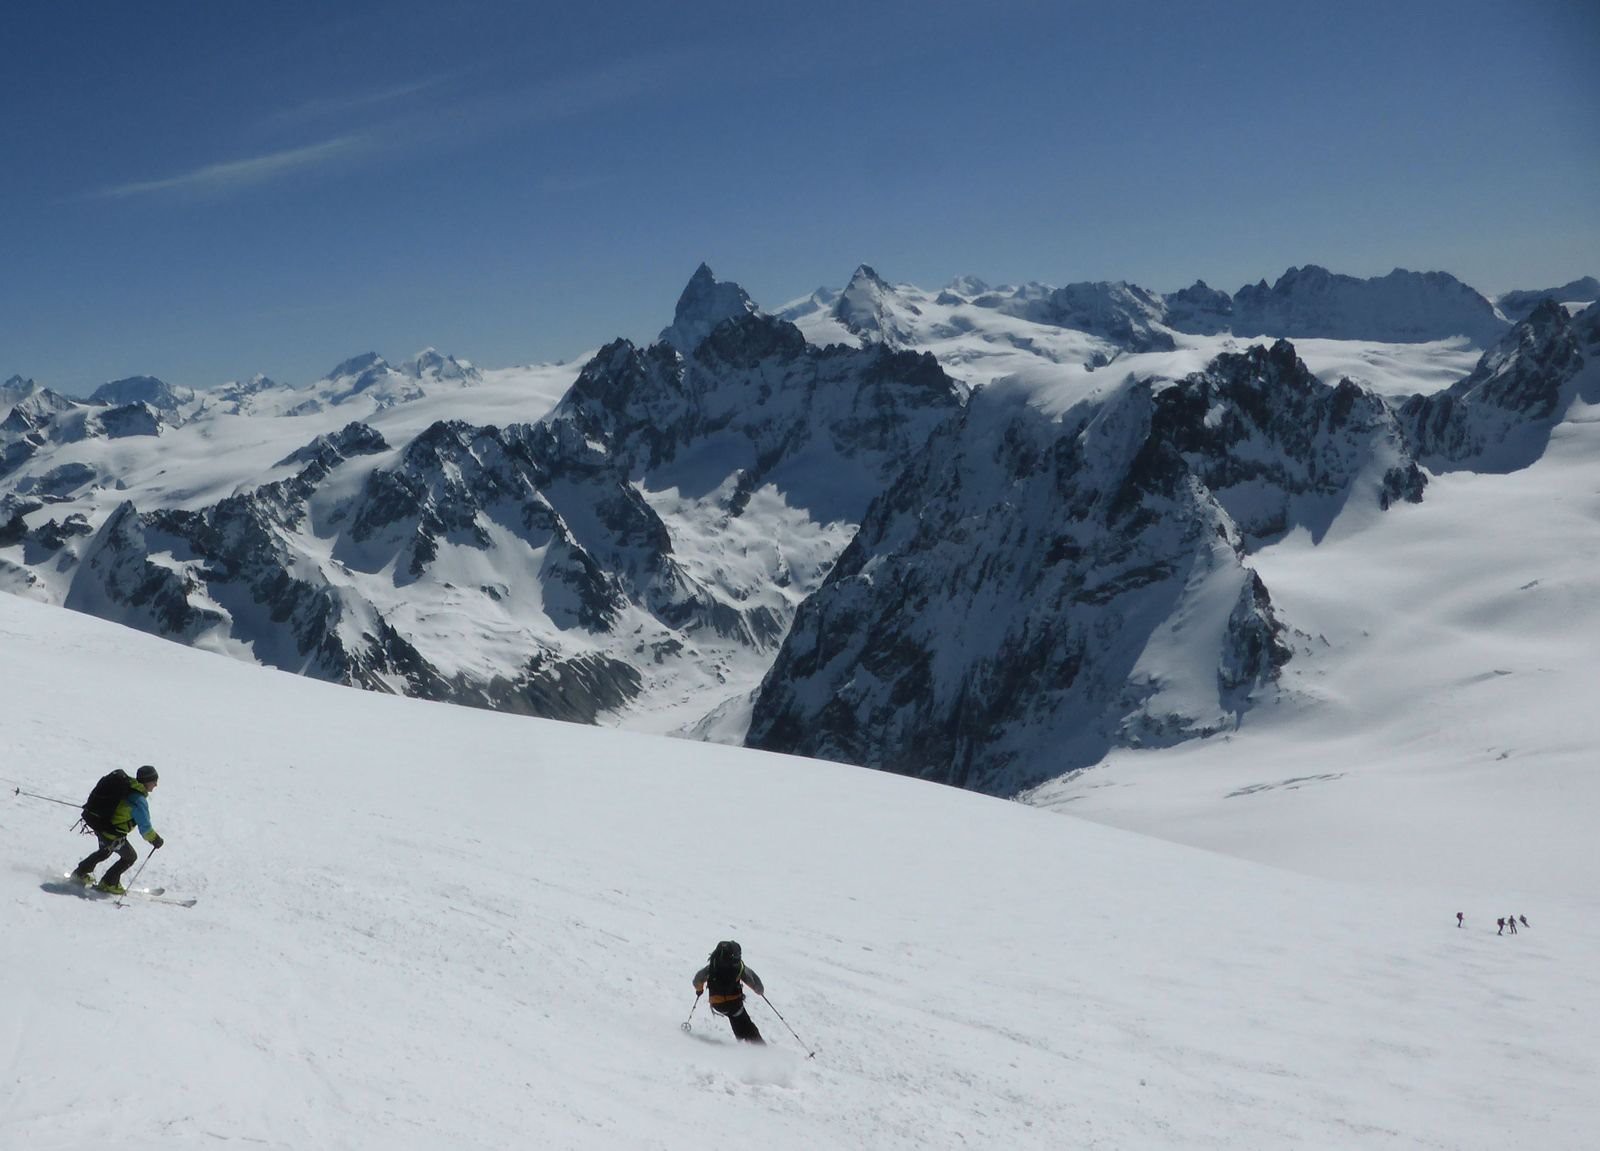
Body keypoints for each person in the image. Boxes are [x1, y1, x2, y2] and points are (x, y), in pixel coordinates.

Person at [71, 765, 164, 895]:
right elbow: (145, 828)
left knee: (104, 851)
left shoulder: (128, 788)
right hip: (112, 833)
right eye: (154, 781)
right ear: (147, 781)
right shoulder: (139, 801)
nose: (156, 785)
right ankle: (109, 883)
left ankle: (79, 873)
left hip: (101, 825)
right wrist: (156, 840)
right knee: (130, 857)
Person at [692, 940, 765, 1044]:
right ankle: (756, 1048)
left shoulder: (712, 967)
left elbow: (697, 980)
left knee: (736, 1020)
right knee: (744, 1024)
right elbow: (752, 980)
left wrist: (699, 990)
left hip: (717, 1004)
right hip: (734, 1003)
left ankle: (743, 1045)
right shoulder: (738, 967)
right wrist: (759, 990)